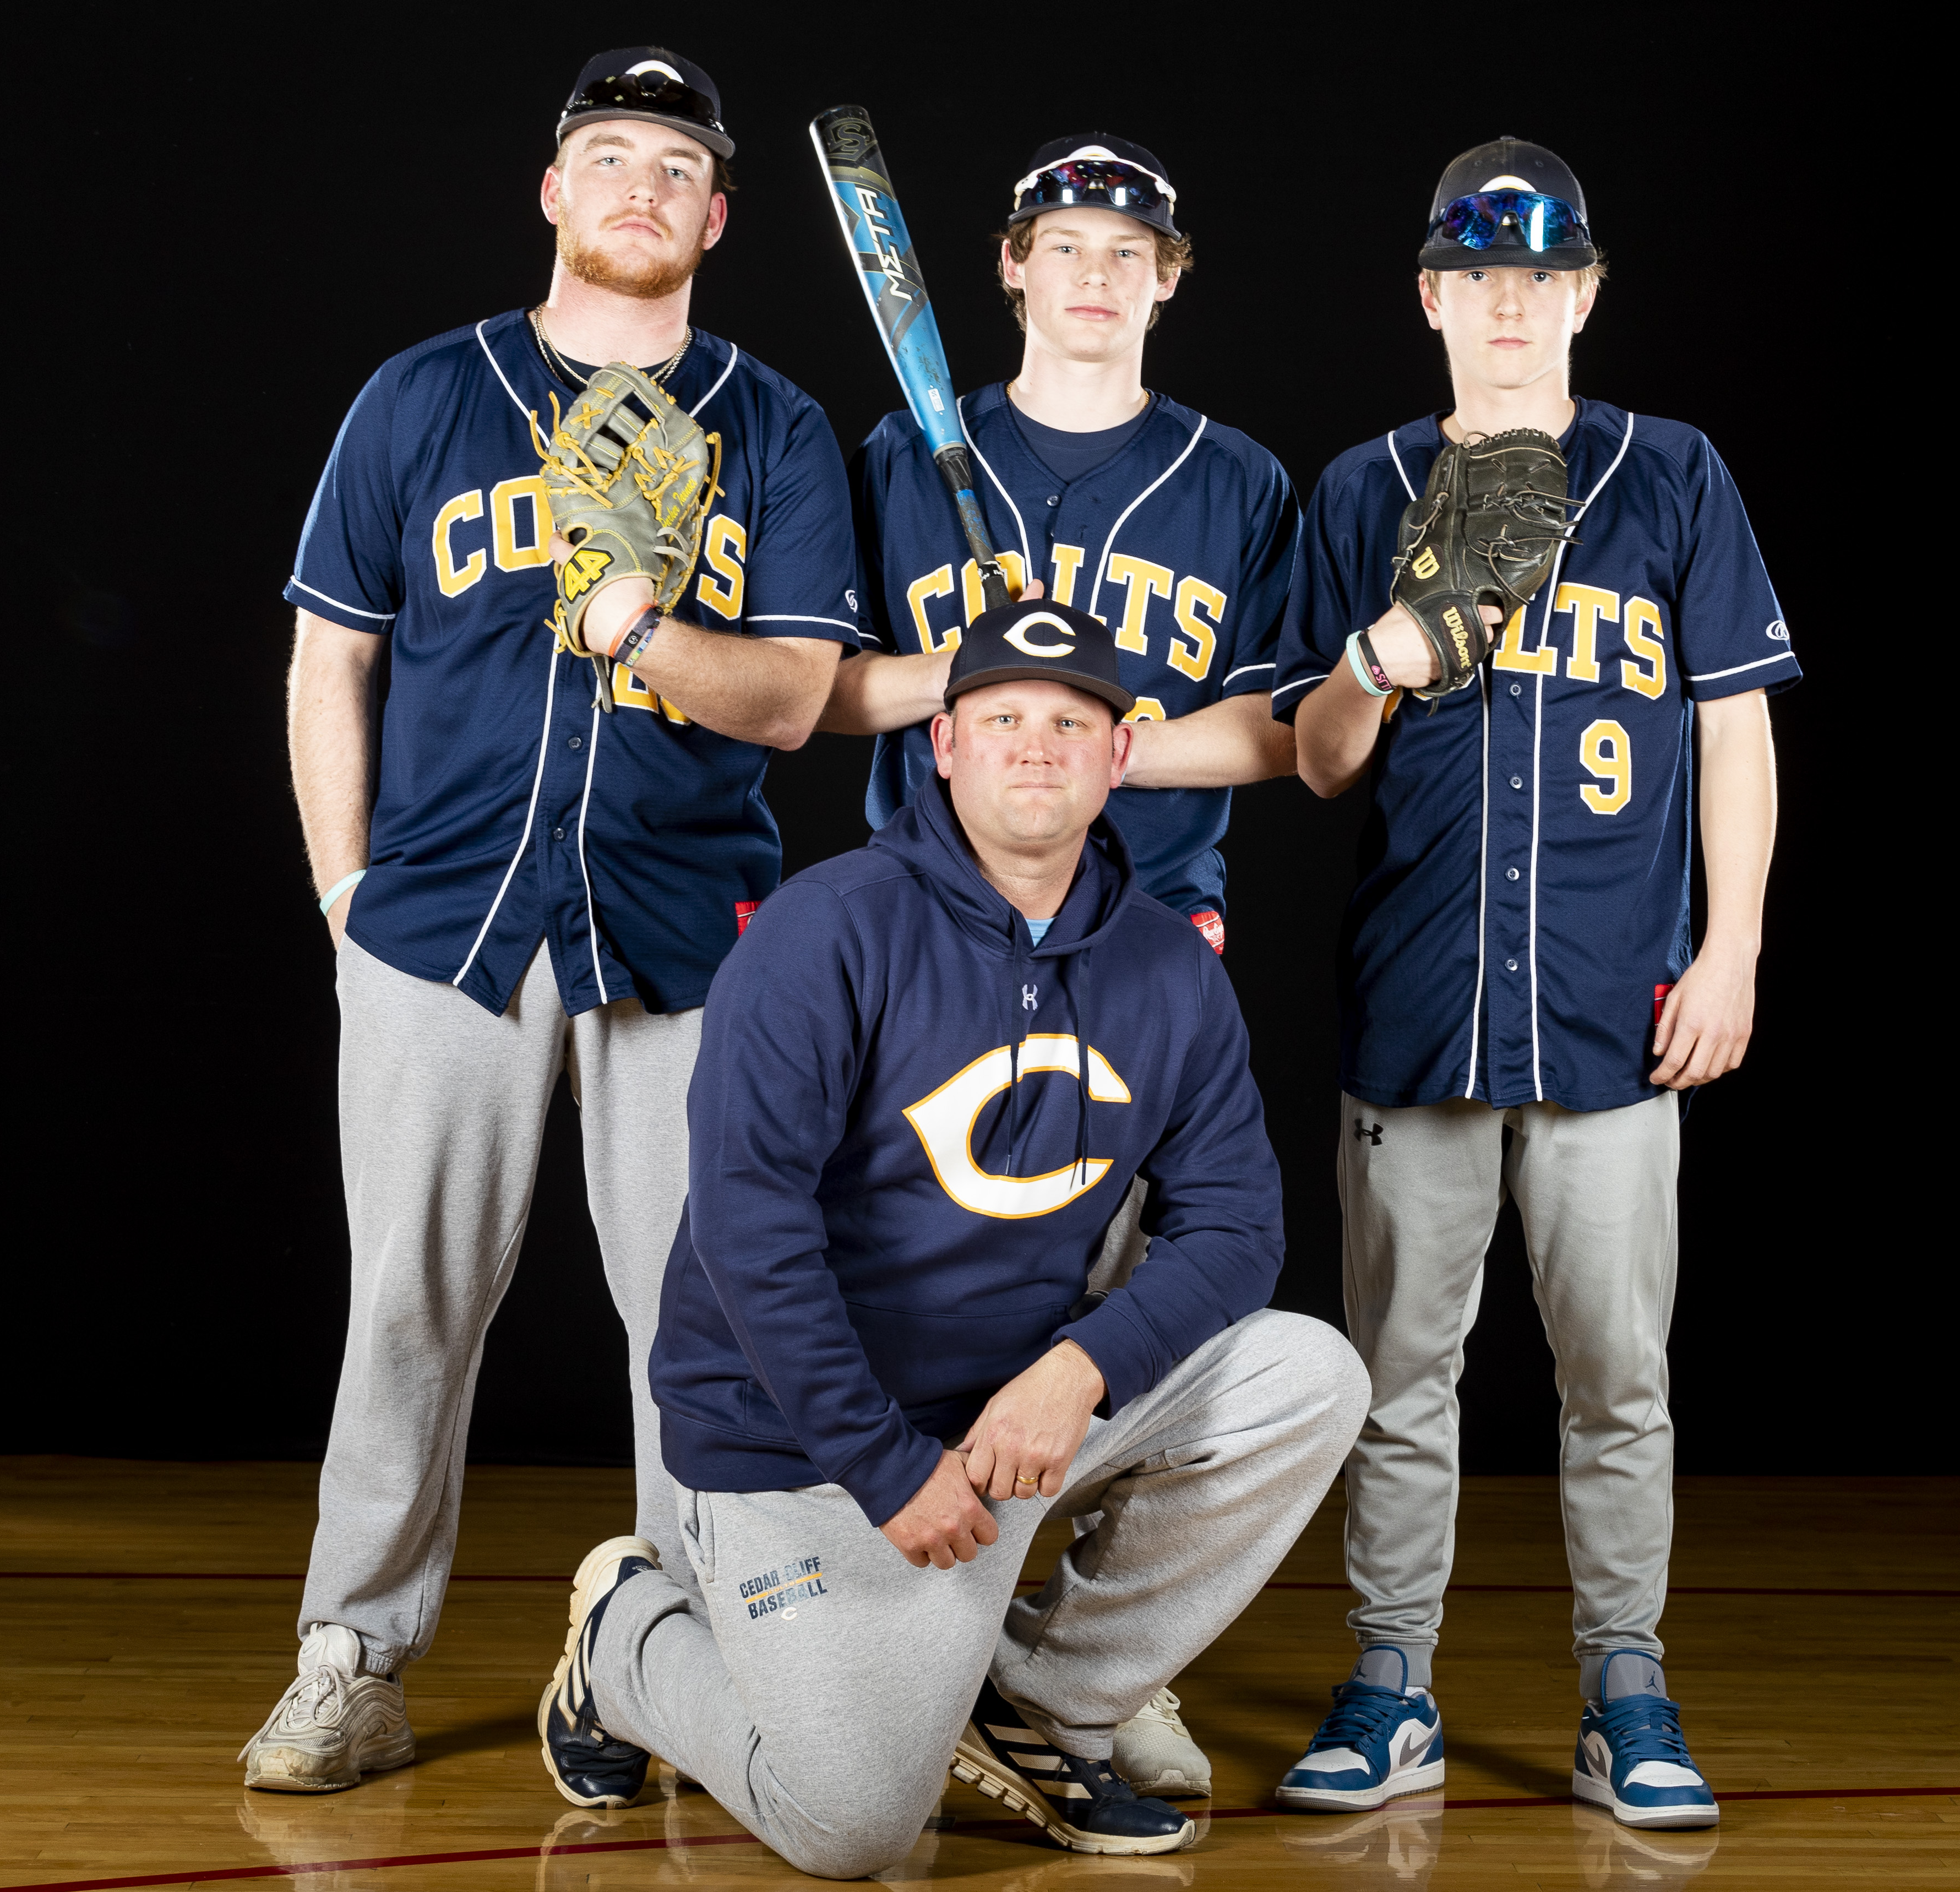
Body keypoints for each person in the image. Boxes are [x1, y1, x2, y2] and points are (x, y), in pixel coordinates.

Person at [244, 47, 861, 1793]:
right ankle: (352, 1654)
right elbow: (328, 658)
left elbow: (798, 695)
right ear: (551, 191)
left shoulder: (776, 422)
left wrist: (641, 634)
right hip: (439, 919)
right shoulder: (424, 397)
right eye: (607, 153)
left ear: (720, 214)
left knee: (700, 1315)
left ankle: (671, 1657)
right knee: (408, 1305)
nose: (640, 185)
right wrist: (345, 889)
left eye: (676, 165)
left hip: (686, 927)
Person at [533, 602, 1367, 1875]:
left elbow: (1242, 1224)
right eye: (1003, 721)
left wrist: (1078, 1369)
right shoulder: (827, 929)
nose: (1037, 748)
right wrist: (881, 1463)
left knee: (1310, 1374)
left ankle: (1043, 1697)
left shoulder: (1169, 967)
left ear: (1120, 755)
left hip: (1007, 1429)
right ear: (944, 746)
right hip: (800, 1442)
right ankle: (628, 1635)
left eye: (1070, 723)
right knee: (853, 1824)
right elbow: (750, 1234)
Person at [1268, 137, 1795, 1832]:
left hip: (1611, 1011)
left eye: (1540, 279)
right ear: (1433, 298)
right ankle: (1390, 1682)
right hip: (1420, 1008)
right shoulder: (1364, 489)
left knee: (1616, 1379)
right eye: (1477, 280)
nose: (1509, 306)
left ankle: (1625, 1688)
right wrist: (1380, 652)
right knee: (1398, 1375)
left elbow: (1731, 723)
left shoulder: (1674, 474)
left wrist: (1732, 946)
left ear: (1581, 294)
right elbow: (1317, 759)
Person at [816, 132, 1301, 1796]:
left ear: (1168, 278)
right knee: (936, 1306)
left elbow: (1284, 729)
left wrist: (1097, 730)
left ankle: (1083, 1662)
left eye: (1128, 251)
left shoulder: (1230, 477)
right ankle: (895, 1635)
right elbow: (815, 688)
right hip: (934, 944)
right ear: (1008, 268)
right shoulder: (896, 452)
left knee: (1128, 1332)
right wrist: (984, 678)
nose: (1094, 275)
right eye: (1063, 245)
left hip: (1152, 950)